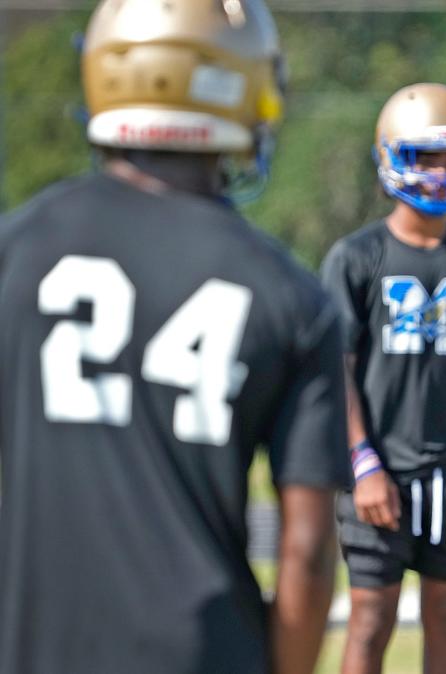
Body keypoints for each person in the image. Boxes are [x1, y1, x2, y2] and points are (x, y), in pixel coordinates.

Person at [0, 2, 350, 673]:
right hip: (207, 650)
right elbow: (306, 548)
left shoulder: (16, 250)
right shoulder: (289, 295)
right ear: (234, 80)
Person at [320, 82, 446, 674]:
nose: (441, 171)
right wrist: (363, 462)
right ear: (391, 156)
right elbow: (337, 369)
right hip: (380, 473)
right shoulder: (356, 258)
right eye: (425, 155)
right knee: (370, 624)